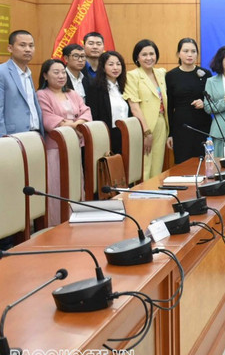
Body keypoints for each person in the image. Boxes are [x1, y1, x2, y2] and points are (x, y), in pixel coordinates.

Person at [36, 59, 92, 226]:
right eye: (56, 72)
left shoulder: (72, 93)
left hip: (74, 147)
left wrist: (75, 124)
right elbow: (49, 120)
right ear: (45, 75)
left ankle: (76, 220)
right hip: (55, 149)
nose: (61, 76)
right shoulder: (42, 95)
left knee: (75, 185)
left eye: (63, 72)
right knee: (56, 187)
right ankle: (56, 224)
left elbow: (86, 112)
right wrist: (76, 125)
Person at [124, 39, 168, 180]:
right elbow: (134, 107)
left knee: (157, 166)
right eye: (144, 54)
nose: (149, 58)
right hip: (144, 125)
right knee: (144, 166)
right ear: (137, 57)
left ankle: (155, 192)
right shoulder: (132, 76)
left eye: (151, 54)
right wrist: (146, 132)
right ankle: (143, 193)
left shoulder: (161, 73)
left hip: (161, 122)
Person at [165, 38, 213, 164]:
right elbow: (169, 106)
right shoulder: (171, 76)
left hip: (203, 126)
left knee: (205, 165)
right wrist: (170, 134)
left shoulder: (206, 74)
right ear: (178, 54)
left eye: (193, 51)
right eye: (185, 51)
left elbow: (213, 100)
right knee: (183, 165)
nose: (190, 54)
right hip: (181, 127)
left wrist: (204, 103)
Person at [84, 51, 130, 154]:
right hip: (107, 134)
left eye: (118, 64)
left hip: (125, 133)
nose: (115, 68)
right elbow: (94, 116)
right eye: (111, 64)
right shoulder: (95, 88)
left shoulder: (125, 86)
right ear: (103, 68)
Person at [0, 30, 43, 136]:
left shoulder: (28, 73)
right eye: (22, 45)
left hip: (35, 134)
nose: (28, 49)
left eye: (31, 46)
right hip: (12, 136)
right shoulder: (2, 72)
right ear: (10, 48)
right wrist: (3, 139)